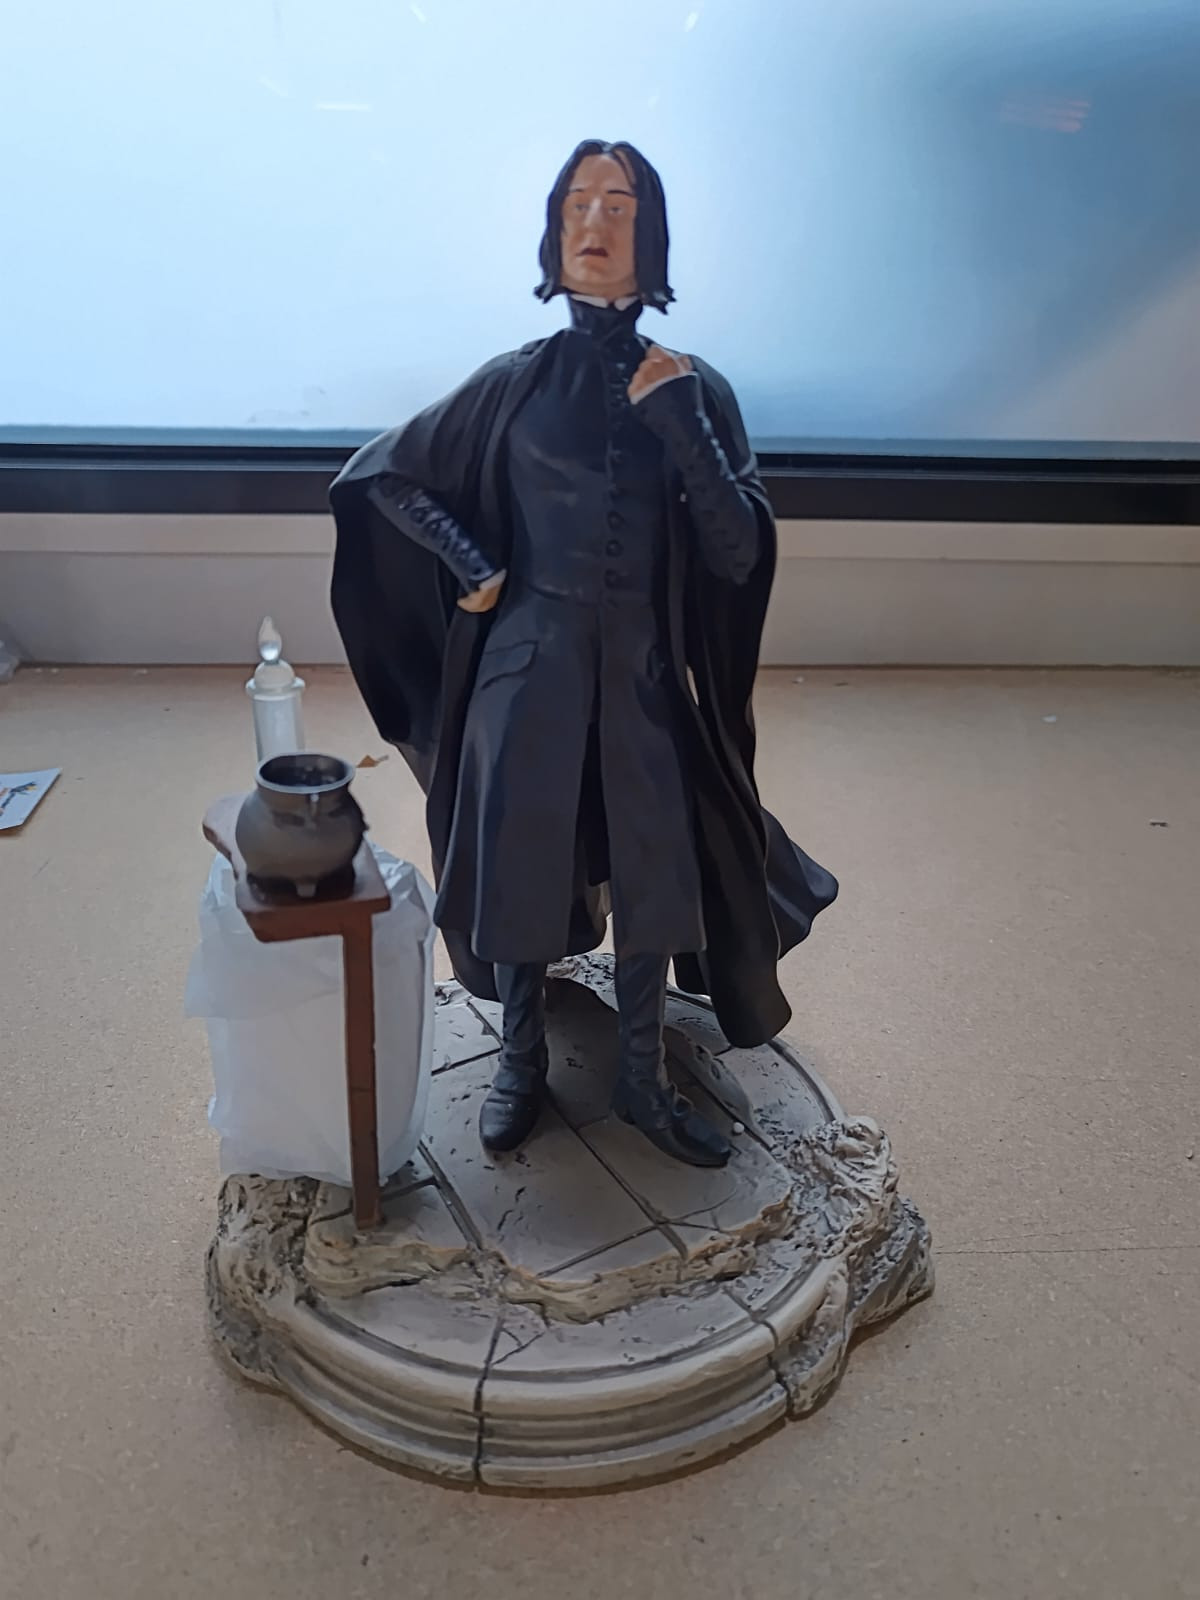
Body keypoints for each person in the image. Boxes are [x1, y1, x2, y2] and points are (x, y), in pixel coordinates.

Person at [330, 139, 837, 1169]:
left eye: (619, 205)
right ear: (554, 234)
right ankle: (518, 1060)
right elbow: (384, 476)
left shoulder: (694, 389)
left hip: (645, 677)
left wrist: (682, 424)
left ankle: (643, 1080)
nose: (594, 224)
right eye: (576, 205)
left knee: (658, 871)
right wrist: (473, 563)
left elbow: (740, 549)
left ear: (653, 237)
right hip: (526, 670)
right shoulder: (513, 384)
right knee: (518, 864)